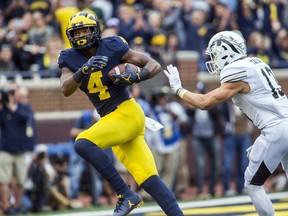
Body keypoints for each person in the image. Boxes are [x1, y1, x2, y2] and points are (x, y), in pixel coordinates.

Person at [57, 12, 183, 216]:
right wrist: (83, 70)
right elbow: (65, 88)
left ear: (95, 30)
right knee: (149, 180)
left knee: (83, 143)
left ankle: (126, 194)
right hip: (113, 121)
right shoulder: (69, 58)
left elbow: (154, 65)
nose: (80, 35)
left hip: (126, 112)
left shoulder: (113, 45)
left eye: (84, 30)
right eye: (76, 32)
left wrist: (136, 77)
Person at [164, 30, 288, 216]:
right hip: (283, 123)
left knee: (252, 184)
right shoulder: (256, 62)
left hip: (276, 129)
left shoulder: (235, 70)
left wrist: (179, 89)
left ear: (226, 52)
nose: (213, 60)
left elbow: (204, 102)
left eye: (215, 55)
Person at [0, 83, 35, 215]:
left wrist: (12, 108)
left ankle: (16, 205)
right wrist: (4, 105)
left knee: (21, 180)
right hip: (5, 150)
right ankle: (6, 206)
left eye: (12, 92)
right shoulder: (3, 109)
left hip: (21, 150)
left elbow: (26, 118)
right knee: (3, 179)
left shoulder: (23, 107)